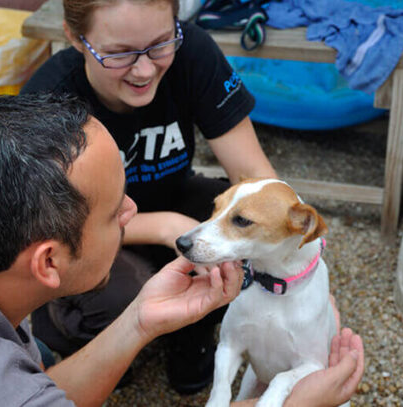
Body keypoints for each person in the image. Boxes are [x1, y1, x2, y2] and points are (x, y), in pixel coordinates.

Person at [0, 93, 364, 406]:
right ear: (48, 263)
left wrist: (139, 320)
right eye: (117, 212)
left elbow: (36, 389)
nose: (139, 214)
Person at [20, 0, 281, 393]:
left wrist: (299, 268)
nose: (144, 69)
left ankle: (191, 331)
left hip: (172, 193)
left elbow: (253, 178)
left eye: (160, 44)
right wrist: (164, 227)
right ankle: (81, 333)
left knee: (240, 227)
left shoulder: (192, 50)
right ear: (75, 37)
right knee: (117, 298)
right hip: (88, 232)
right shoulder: (48, 100)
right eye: (119, 53)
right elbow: (50, 227)